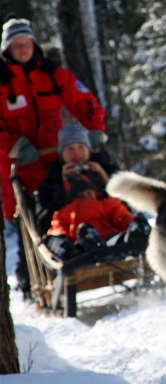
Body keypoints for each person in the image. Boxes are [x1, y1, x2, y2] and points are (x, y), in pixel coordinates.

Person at [0, 16, 107, 296]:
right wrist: (15, 146)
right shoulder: (2, 83)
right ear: (7, 49)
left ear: (34, 44)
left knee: (67, 206)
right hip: (21, 165)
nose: (23, 48)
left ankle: (81, 253)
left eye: (27, 43)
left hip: (56, 161)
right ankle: (29, 280)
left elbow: (84, 100)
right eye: (16, 44)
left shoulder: (52, 74)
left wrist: (95, 130)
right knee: (30, 222)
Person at [43, 174, 150, 263]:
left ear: (95, 193)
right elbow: (58, 229)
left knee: (138, 223)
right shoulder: (63, 213)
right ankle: (75, 254)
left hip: (112, 241)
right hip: (83, 246)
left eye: (89, 193)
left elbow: (122, 218)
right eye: (80, 196)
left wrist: (133, 224)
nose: (86, 197)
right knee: (85, 231)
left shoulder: (106, 205)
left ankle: (137, 242)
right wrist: (59, 239)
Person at [36, 124, 119, 234]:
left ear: (89, 150)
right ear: (62, 154)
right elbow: (45, 221)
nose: (76, 153)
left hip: (110, 225)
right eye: (70, 148)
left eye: (81, 147)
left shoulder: (106, 167)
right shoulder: (51, 180)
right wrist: (63, 184)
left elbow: (123, 203)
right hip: (73, 232)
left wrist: (102, 175)